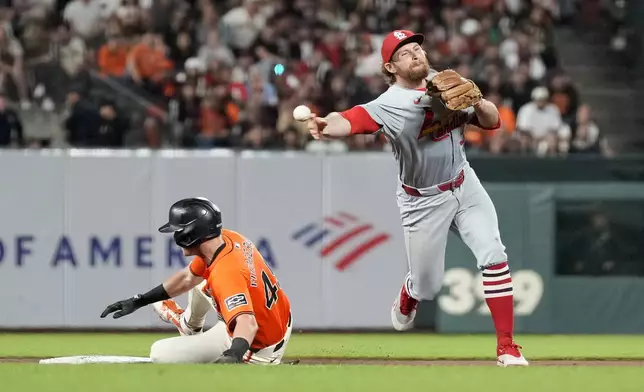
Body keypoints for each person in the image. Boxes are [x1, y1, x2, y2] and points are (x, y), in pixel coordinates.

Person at [306, 30, 528, 367]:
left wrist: (479, 102)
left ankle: (507, 347)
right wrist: (326, 123)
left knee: (494, 255)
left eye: (417, 48)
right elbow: (351, 119)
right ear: (391, 67)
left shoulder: (447, 82)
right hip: (422, 201)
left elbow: (493, 122)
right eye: (405, 53)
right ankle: (411, 290)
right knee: (429, 286)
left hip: (464, 183)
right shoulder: (389, 104)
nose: (415, 54)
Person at [100, 197, 292, 365]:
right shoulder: (227, 239)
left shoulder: (225, 272)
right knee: (203, 284)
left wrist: (234, 354)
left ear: (192, 232)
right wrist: (139, 300)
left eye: (178, 230)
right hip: (279, 319)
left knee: (159, 352)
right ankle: (188, 324)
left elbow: (247, 323)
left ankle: (261, 360)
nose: (175, 236)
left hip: (257, 346)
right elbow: (187, 278)